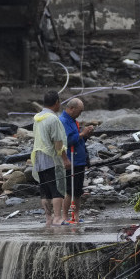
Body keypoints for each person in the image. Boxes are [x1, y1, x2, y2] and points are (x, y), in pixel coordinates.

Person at [31, 90, 70, 227]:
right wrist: (65, 159)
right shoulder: (53, 119)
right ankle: (58, 218)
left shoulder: (37, 118)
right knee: (57, 189)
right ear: (57, 102)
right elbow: (58, 143)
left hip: (39, 159)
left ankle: (49, 218)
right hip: (51, 159)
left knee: (45, 191)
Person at [59, 97, 95, 223]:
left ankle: (76, 216)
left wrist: (85, 135)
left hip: (79, 160)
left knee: (78, 191)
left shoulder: (73, 120)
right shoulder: (63, 121)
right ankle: (64, 217)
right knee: (70, 190)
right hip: (71, 160)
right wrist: (82, 133)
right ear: (71, 109)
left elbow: (77, 139)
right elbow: (67, 141)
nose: (80, 113)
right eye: (80, 111)